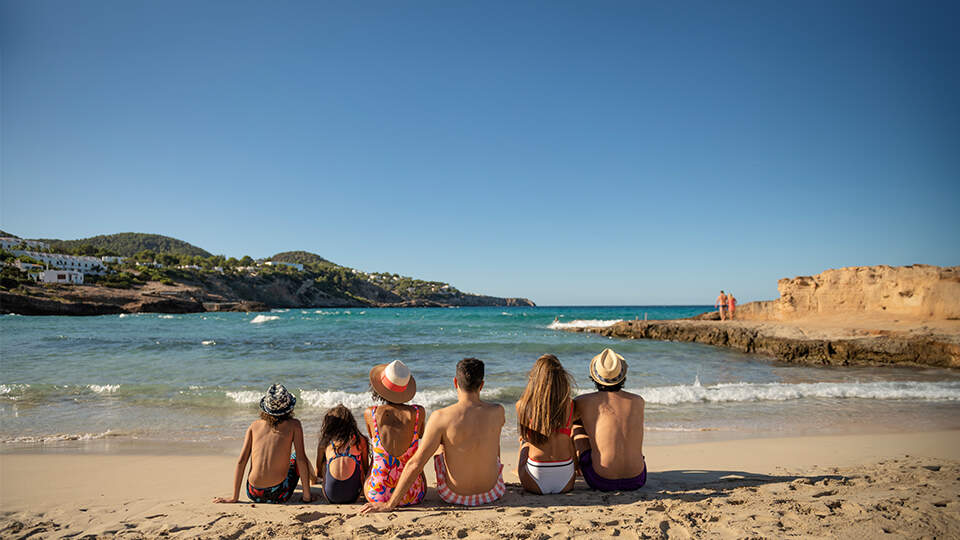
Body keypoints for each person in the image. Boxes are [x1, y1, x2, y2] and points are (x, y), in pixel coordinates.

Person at [360, 358, 505, 512]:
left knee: (440, 446)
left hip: (455, 495)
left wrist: (390, 504)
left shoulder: (441, 416)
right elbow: (495, 450)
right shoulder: (498, 411)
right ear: (482, 385)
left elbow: (416, 463)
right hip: (492, 492)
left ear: (455, 382)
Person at [214, 383, 314, 504]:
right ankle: (312, 483)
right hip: (279, 494)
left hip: (253, 492)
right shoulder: (294, 425)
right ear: (289, 407)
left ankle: (312, 479)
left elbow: (242, 461)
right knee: (296, 456)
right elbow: (301, 459)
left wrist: (234, 497)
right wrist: (306, 497)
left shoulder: (254, 426)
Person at [572, 349, 647, 492]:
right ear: (622, 376)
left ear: (595, 377)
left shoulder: (583, 401)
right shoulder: (638, 401)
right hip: (637, 479)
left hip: (601, 480)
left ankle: (575, 469)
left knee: (576, 427)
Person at [363, 360, 427, 506]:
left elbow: (373, 439)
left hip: (377, 494)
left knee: (373, 461)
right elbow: (420, 435)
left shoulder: (371, 413)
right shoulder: (419, 413)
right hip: (413, 494)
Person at [516, 354, 576, 495]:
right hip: (566, 479)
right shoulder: (569, 404)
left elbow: (526, 438)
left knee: (523, 441)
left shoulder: (523, 405)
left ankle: (523, 469)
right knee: (568, 437)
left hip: (535, 478)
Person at [316, 404, 370, 504]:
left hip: (331, 496)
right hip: (353, 496)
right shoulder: (360, 440)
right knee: (359, 463)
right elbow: (366, 469)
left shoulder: (325, 442)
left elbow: (318, 471)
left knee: (324, 465)